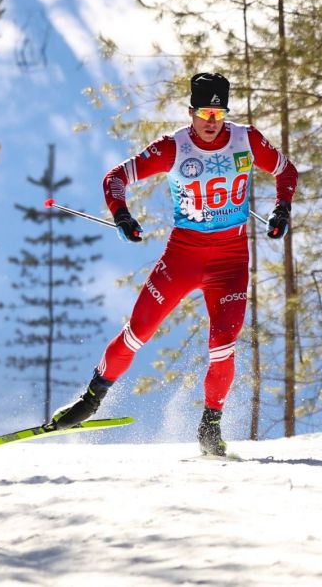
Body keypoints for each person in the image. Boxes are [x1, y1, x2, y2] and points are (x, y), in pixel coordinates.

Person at [47, 72, 299, 456]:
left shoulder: (246, 139)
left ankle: (210, 426)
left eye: (218, 114)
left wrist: (282, 208)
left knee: (223, 345)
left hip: (231, 260)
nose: (211, 123)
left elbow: (286, 170)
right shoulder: (173, 147)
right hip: (183, 256)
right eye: (203, 113)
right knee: (138, 331)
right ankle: (91, 399)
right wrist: (122, 216)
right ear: (190, 112)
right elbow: (116, 177)